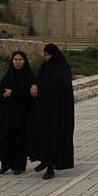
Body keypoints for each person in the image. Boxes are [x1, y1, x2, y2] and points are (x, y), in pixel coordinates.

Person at [0, 51, 37, 176]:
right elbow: (0, 91)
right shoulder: (8, 75)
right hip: (7, 115)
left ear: (25, 61)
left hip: (22, 114)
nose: (17, 62)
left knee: (19, 141)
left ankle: (18, 166)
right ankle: (5, 163)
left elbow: (30, 93)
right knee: (1, 139)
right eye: (15, 59)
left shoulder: (29, 76)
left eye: (20, 59)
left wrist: (14, 92)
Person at [29, 44, 75, 180]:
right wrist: (34, 85)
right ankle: (44, 160)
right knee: (42, 135)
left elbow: (65, 90)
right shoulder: (44, 67)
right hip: (43, 109)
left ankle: (50, 168)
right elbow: (36, 79)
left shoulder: (63, 68)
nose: (46, 57)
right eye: (45, 55)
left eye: (48, 55)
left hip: (57, 112)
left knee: (53, 137)